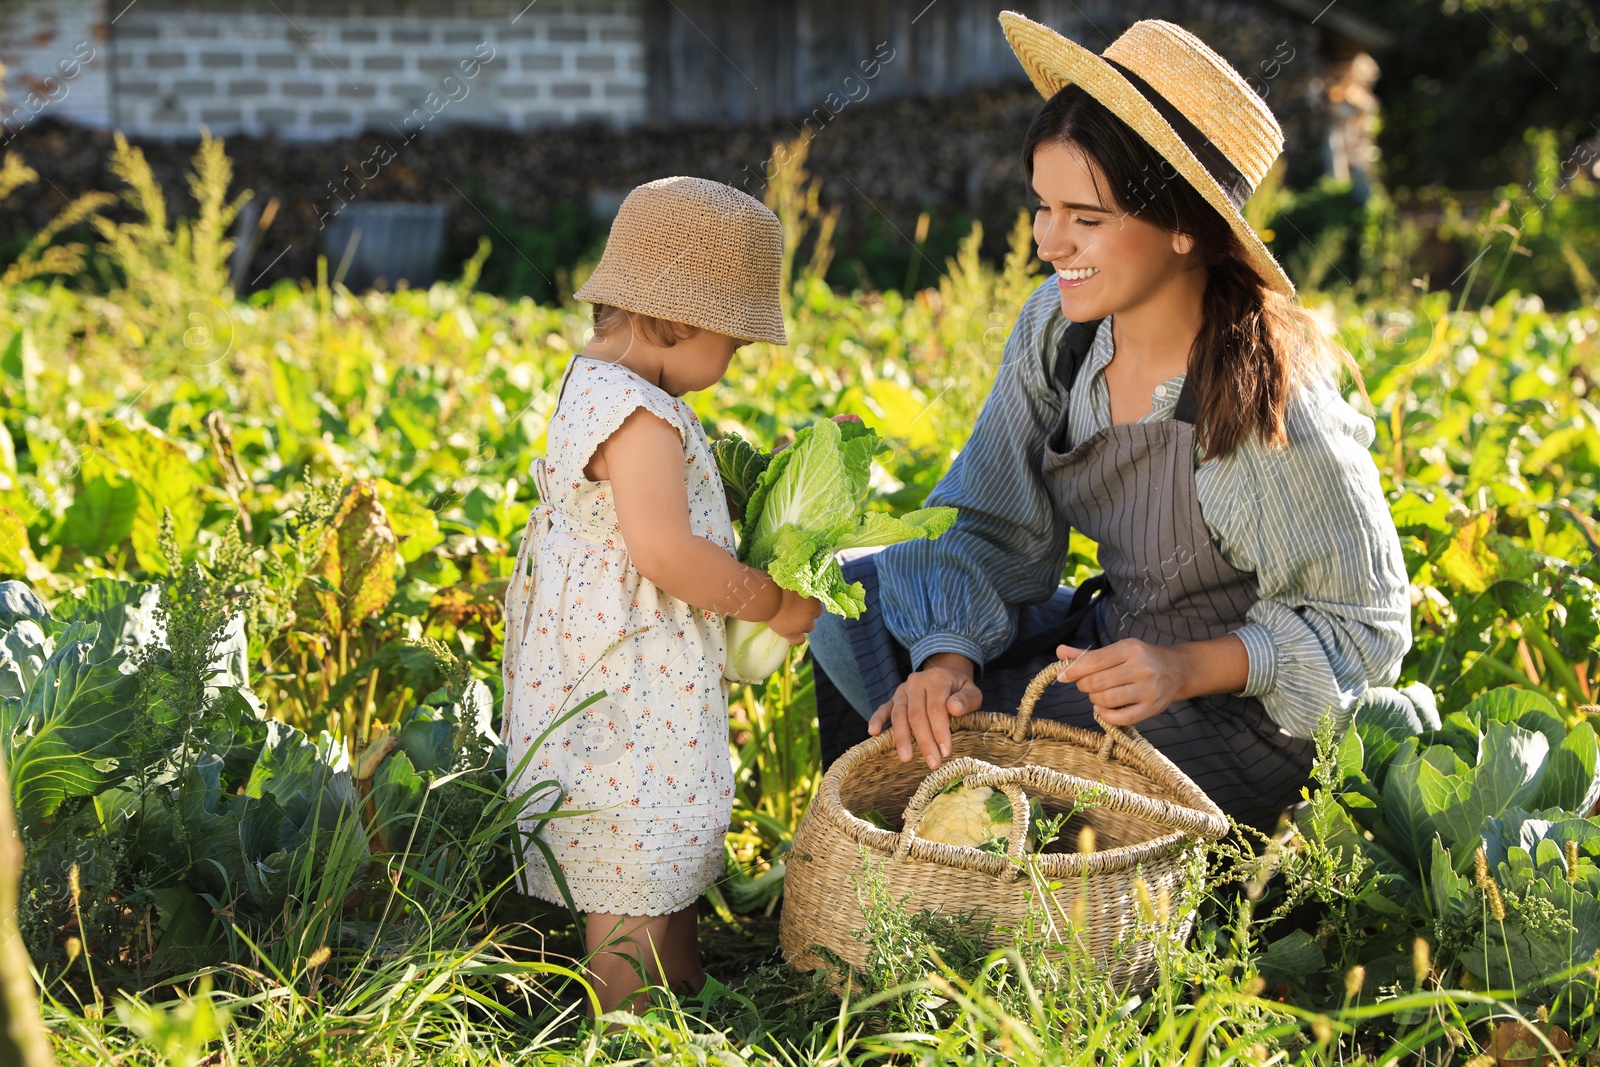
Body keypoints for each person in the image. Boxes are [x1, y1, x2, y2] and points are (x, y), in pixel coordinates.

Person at [808, 15, 1412, 834]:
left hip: (1240, 715)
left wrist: (1183, 667)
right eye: (1042, 207)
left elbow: (1365, 628)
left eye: (1085, 218)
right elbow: (989, 524)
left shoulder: (1271, 398)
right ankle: (883, 849)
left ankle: (969, 847)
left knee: (1029, 751)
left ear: (1184, 227)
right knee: (855, 599)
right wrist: (946, 662)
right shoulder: (1059, 329)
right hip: (1113, 655)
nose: (1051, 242)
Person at [501, 177, 822, 1016]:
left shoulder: (595, 384)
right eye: (737, 342)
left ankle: (679, 988)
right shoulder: (639, 416)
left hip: (627, 676)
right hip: (626, 691)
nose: (737, 361)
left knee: (660, 844)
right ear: (678, 320)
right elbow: (665, 553)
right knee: (634, 851)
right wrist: (771, 603)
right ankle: (628, 1022)